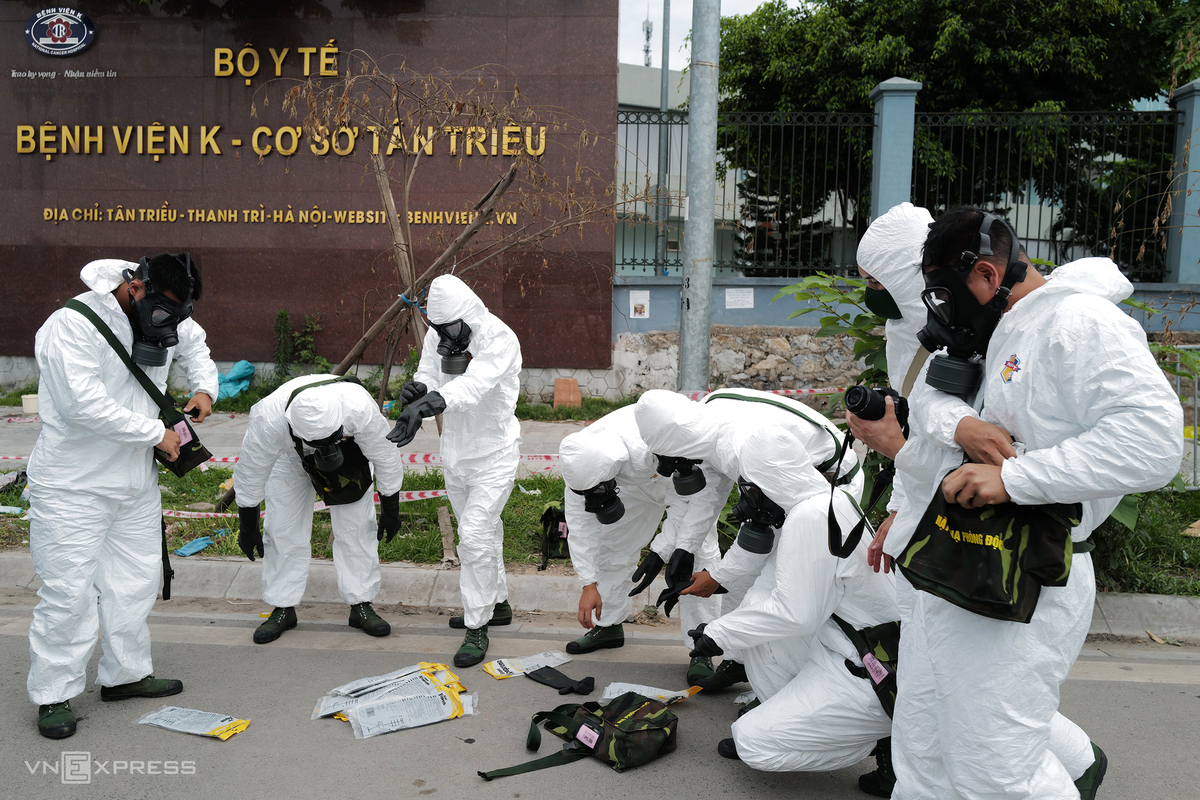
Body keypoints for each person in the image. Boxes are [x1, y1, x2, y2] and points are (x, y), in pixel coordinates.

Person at [886, 207, 1182, 800]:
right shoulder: (996, 327)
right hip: (955, 559)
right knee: (923, 743)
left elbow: (1153, 442)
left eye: (947, 296)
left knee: (994, 769)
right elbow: (929, 395)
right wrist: (962, 424)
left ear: (987, 275)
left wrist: (1016, 478)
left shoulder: (1079, 323)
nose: (943, 313)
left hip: (1029, 569)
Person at [848, 204, 1105, 798]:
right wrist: (901, 506)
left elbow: (984, 466)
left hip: (1005, 552)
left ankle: (1078, 764)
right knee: (933, 721)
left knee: (990, 746)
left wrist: (908, 449)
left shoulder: (1040, 326)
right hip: (938, 539)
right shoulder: (936, 329)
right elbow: (937, 417)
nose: (872, 295)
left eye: (877, 282)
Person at [27, 254, 218, 739]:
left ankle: (125, 675)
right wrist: (155, 433)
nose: (170, 323)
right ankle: (53, 692)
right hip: (74, 485)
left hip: (134, 482)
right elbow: (80, 403)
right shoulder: (72, 324)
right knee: (68, 592)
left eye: (178, 314)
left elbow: (195, 344)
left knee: (134, 582)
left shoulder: (168, 313)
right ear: (136, 287)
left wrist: (204, 388)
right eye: (164, 312)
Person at [684, 440, 897, 787]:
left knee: (751, 742)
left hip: (875, 672)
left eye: (751, 488)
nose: (747, 499)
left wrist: (718, 635)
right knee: (758, 620)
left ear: (771, 480)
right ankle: (797, 723)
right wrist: (722, 630)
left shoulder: (810, 517)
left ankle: (885, 739)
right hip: (848, 647)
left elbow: (796, 614)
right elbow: (773, 592)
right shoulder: (829, 500)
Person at [635, 387, 861, 693]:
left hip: (828, 487)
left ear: (679, 442)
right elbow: (709, 493)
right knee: (743, 584)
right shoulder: (705, 421)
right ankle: (738, 661)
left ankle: (781, 688)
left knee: (781, 588)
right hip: (780, 481)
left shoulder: (747, 448)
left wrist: (717, 576)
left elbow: (759, 530)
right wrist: (683, 548)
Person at [387, 274, 522, 668]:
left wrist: (428, 405)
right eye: (438, 328)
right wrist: (417, 389)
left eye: (449, 329)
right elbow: (431, 372)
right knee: (484, 531)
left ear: (469, 315)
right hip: (456, 453)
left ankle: (477, 625)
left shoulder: (499, 339)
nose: (443, 337)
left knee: (475, 534)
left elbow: (472, 388)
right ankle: (497, 603)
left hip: (494, 455)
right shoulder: (440, 332)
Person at [233, 374, 404, 643]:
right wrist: (248, 526)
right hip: (289, 457)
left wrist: (391, 510)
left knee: (357, 525)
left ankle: (361, 604)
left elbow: (386, 457)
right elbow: (250, 473)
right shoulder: (269, 419)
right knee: (282, 527)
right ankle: (283, 607)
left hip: (347, 449)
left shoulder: (358, 407)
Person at [559, 405, 722, 683]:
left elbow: (688, 505)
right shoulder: (579, 464)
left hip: (679, 484)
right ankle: (609, 625)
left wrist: (661, 551)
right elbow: (581, 526)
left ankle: (702, 644)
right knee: (612, 547)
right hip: (630, 486)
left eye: (596, 491)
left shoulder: (650, 443)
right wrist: (588, 584)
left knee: (699, 553)